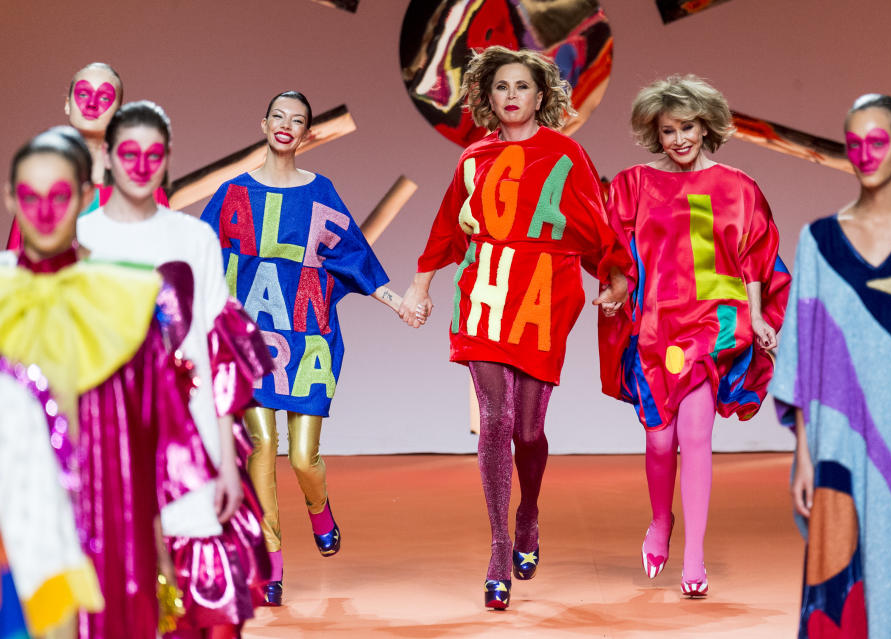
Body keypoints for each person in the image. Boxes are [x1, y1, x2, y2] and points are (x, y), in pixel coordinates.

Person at [399, 45, 631, 610]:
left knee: (527, 430)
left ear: (540, 95)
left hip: (545, 298)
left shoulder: (565, 153)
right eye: (501, 87)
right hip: (483, 295)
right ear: (487, 95)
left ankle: (528, 512)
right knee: (495, 419)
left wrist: (615, 279)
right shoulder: (473, 158)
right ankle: (500, 547)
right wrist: (421, 284)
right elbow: (447, 228)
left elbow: (594, 227)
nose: (511, 97)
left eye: (521, 87)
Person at [0, 126, 215, 638]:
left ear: (80, 197)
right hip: (15, 525)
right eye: (30, 196)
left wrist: (163, 548)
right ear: (11, 198)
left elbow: (155, 432)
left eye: (59, 195)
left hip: (109, 522)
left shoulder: (124, 298)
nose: (45, 211)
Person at [76, 103, 271, 638]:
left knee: (204, 595)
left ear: (166, 162)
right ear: (109, 160)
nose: (141, 164)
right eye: (129, 153)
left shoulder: (194, 238)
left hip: (190, 435)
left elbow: (215, 352)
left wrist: (229, 463)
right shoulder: (82, 239)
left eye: (154, 154)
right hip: (111, 438)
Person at [199, 90, 395, 606]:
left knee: (304, 457)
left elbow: (354, 255)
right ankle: (270, 562)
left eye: (298, 120)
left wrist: (397, 302)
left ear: (307, 134)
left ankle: (320, 508)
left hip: (307, 341)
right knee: (262, 447)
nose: (287, 125)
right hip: (251, 343)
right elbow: (198, 257)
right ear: (263, 123)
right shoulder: (232, 193)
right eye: (279, 116)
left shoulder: (320, 191)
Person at [770, 94, 891, 638]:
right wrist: (803, 454)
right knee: (842, 578)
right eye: (854, 144)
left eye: (878, 141)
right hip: (839, 444)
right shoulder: (820, 241)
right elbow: (803, 355)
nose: (865, 154)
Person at [602, 75, 790, 597]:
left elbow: (755, 258)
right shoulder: (635, 184)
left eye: (687, 126)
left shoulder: (738, 187)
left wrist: (757, 317)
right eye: (668, 130)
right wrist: (615, 289)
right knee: (660, 438)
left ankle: (695, 557)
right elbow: (612, 248)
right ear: (654, 134)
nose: (679, 138)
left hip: (713, 324)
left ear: (706, 125)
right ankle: (660, 521)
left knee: (697, 438)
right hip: (657, 326)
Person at [5, 62, 167, 250]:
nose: (91, 104)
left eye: (104, 98)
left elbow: (166, 262)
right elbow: (17, 265)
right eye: (83, 94)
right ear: (67, 104)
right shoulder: (40, 185)